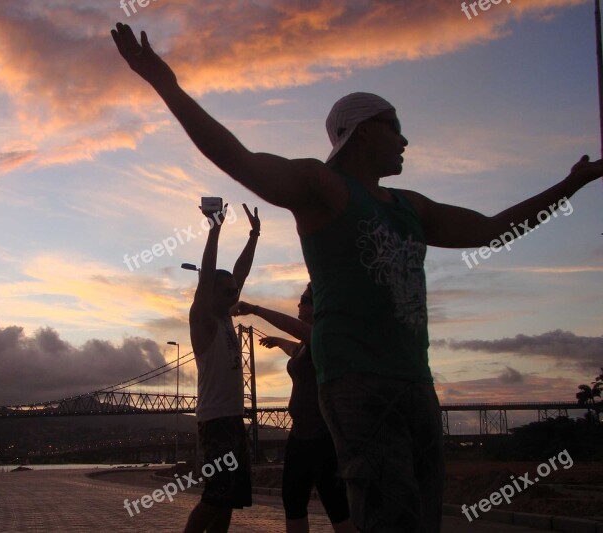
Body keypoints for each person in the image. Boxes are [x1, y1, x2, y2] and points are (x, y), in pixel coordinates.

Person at [111, 23, 603, 532]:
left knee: (420, 521)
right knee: (389, 521)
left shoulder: (411, 207)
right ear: (364, 128)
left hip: (417, 382)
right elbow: (238, 158)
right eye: (395, 126)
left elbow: (492, 229)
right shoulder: (322, 187)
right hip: (358, 383)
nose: (405, 139)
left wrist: (572, 184)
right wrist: (164, 84)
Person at [232, 283, 355, 533]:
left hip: (324, 439)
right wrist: (278, 341)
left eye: (304, 300)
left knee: (338, 509)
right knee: (293, 504)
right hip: (299, 438)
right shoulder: (303, 347)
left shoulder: (324, 338)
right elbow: (294, 347)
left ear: (318, 305)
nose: (299, 304)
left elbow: (299, 331)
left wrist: (255, 309)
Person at [185, 201, 260, 533]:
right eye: (228, 291)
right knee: (215, 497)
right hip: (215, 423)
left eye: (235, 291)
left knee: (229, 500)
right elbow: (209, 277)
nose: (235, 295)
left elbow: (239, 273)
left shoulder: (226, 317)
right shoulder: (204, 320)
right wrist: (215, 229)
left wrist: (254, 236)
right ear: (210, 291)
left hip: (233, 420)